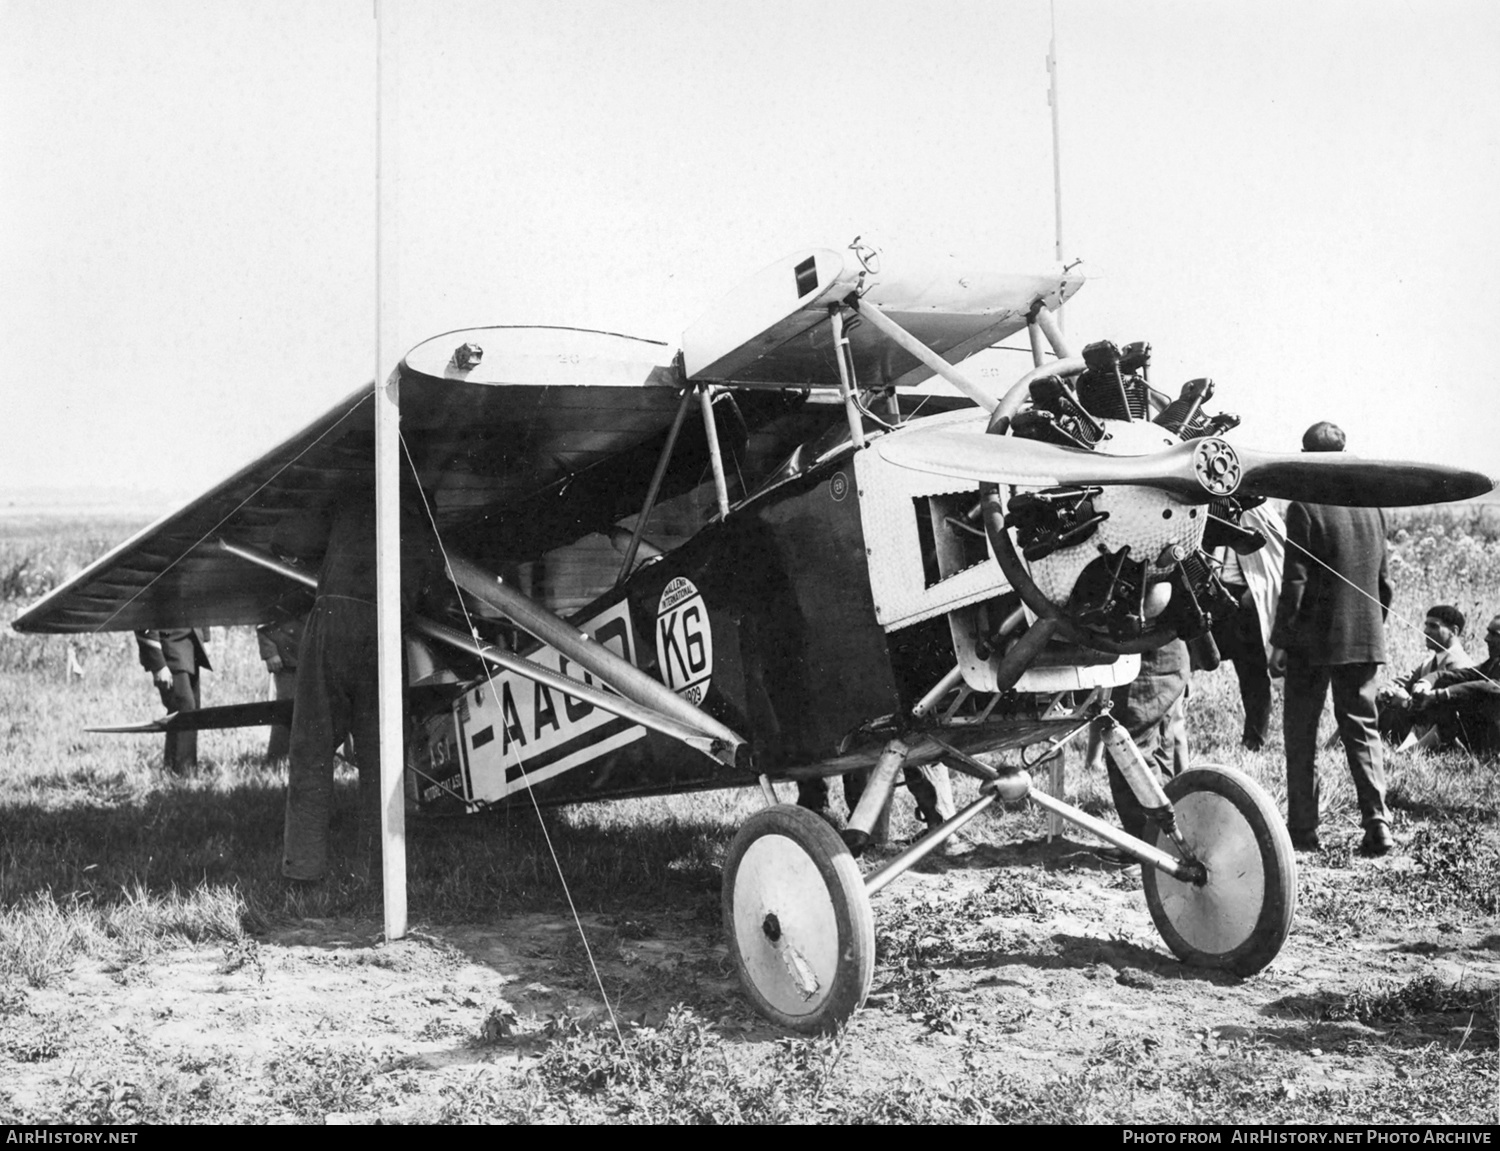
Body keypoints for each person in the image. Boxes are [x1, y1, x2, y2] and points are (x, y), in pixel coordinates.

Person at [282, 486, 442, 883]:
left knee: (312, 748)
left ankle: (302, 869)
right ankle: (378, 870)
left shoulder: (351, 496)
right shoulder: (422, 522)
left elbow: (285, 539)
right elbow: (434, 599)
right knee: (382, 757)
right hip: (385, 634)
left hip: (333, 620)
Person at [1269, 421, 1394, 857]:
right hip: (1362, 638)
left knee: (1302, 736)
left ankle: (1303, 831)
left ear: (1306, 457)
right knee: (1363, 729)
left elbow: (1295, 583)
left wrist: (1281, 641)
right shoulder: (1373, 507)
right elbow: (1384, 584)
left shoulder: (1303, 506)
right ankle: (1378, 822)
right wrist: (1370, 627)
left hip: (1310, 643)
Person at [1093, 637, 1191, 863]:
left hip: (1145, 664)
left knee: (1129, 754)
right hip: (1166, 658)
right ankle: (1164, 843)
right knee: (1159, 749)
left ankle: (1147, 849)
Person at [1210, 502, 1286, 751]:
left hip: (1247, 599)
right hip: (1212, 594)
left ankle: (1254, 738)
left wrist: (1254, 597)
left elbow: (1276, 556)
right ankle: (1173, 733)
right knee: (1192, 660)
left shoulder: (1259, 511)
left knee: (1253, 672)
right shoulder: (1210, 505)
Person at [1376, 604, 1473, 748]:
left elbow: (1446, 714)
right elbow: (1407, 681)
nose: (1426, 631)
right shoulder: (1430, 662)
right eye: (1426, 625)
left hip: (1440, 741)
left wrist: (1406, 702)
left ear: (1453, 631)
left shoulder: (1462, 665)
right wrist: (1386, 689)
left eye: (1434, 626)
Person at [1407, 613, 1500, 753]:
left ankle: (1416, 750)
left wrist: (1441, 694)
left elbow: (1490, 687)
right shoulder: (1493, 663)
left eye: (1494, 634)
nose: (1486, 638)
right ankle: (1418, 748)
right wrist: (1426, 682)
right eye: (1488, 632)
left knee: (1455, 700)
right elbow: (1459, 675)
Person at [134, 628, 211, 772]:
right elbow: (143, 616)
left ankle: (174, 771)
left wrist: (205, 637)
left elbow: (202, 605)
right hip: (167, 646)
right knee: (185, 707)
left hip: (191, 643)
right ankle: (183, 775)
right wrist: (158, 663)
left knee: (191, 710)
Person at [256, 609, 307, 761]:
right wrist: (269, 651)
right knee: (284, 709)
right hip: (287, 657)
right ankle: (277, 759)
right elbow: (261, 613)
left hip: (316, 652)